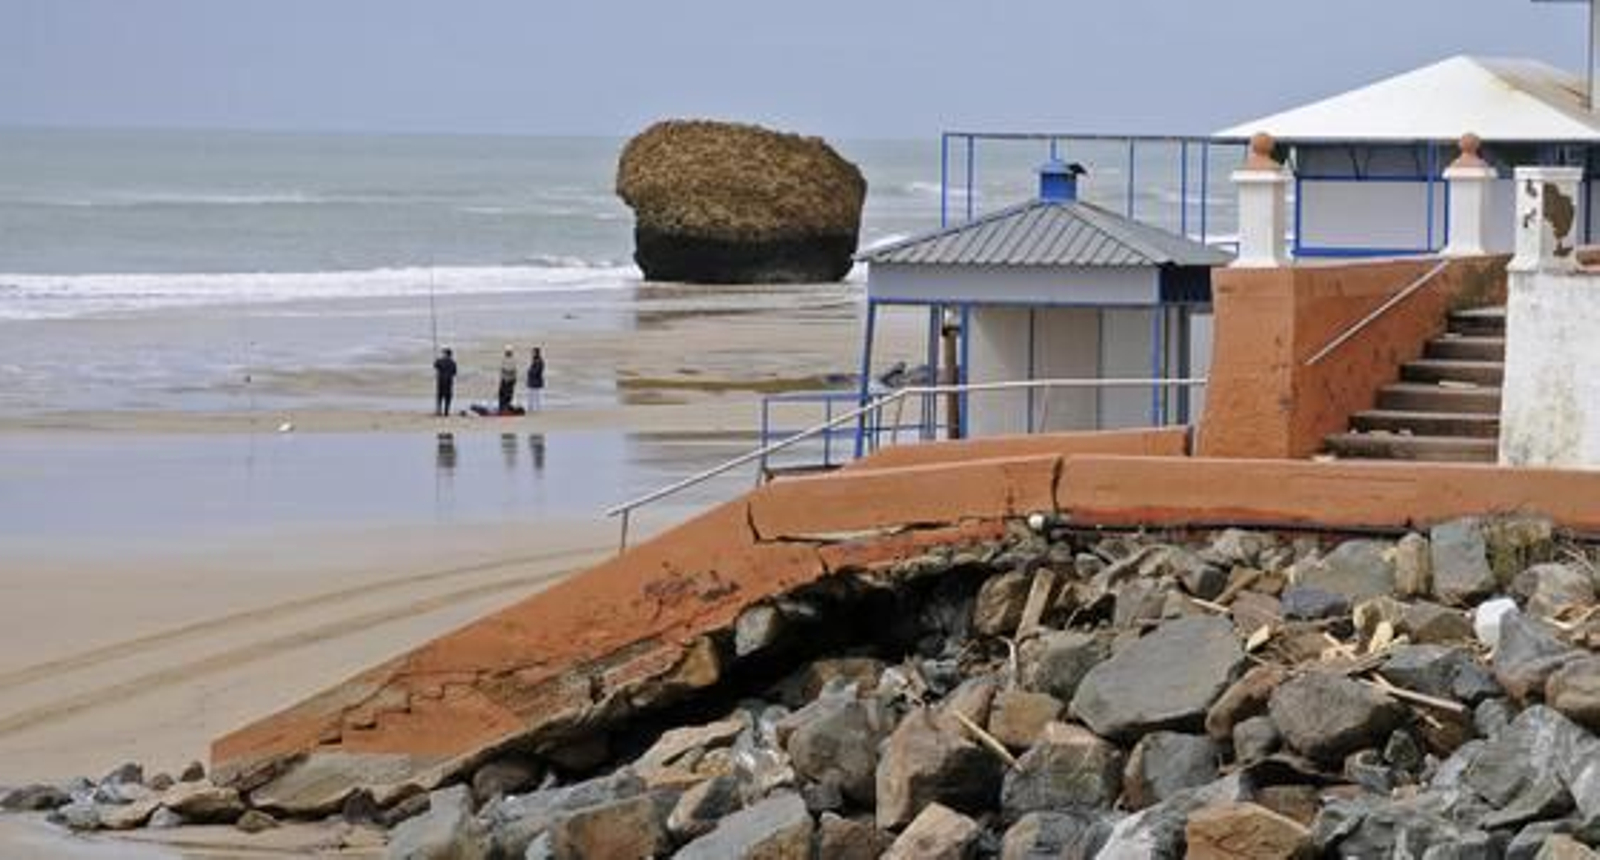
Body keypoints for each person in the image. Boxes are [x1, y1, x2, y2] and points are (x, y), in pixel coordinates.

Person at [432, 347, 457, 416]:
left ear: (446, 354)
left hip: (441, 381)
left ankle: (439, 411)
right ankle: (446, 412)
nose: (442, 354)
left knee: (440, 396)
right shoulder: (453, 363)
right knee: (448, 397)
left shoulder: (440, 361)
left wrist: (436, 360)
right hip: (449, 381)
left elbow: (435, 366)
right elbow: (454, 373)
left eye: (443, 353)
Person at [497, 346, 518, 414]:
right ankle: (502, 408)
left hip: (509, 381)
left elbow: (512, 370)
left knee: (507, 395)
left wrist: (509, 377)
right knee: (502, 394)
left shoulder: (512, 360)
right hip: (505, 380)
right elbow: (502, 370)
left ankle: (505, 408)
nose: (506, 353)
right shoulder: (504, 359)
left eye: (507, 352)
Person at [526, 347, 546, 411]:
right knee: (532, 395)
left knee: (536, 396)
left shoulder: (539, 361)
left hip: (536, 381)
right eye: (532, 352)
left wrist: (530, 372)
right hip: (533, 381)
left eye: (533, 352)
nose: (532, 353)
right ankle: (531, 407)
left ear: (536, 353)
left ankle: (536, 408)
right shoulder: (535, 360)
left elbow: (538, 371)